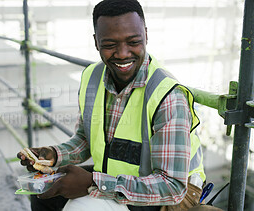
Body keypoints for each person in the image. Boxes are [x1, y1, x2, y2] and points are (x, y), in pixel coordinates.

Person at [17, 0, 206, 210]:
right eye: (109, 45)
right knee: (44, 192)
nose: (123, 53)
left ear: (146, 34)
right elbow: (86, 140)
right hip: (116, 178)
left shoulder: (168, 95)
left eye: (133, 42)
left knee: (81, 208)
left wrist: (92, 183)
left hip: (171, 195)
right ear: (96, 42)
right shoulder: (92, 77)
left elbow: (171, 187)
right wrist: (53, 154)